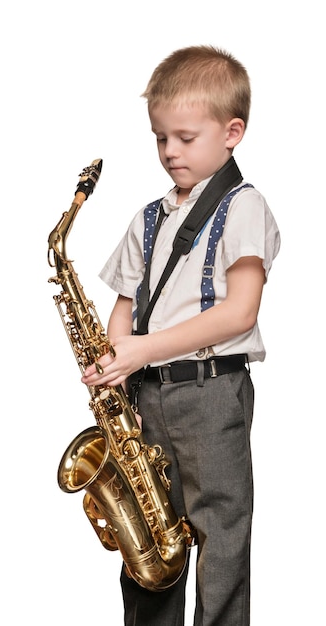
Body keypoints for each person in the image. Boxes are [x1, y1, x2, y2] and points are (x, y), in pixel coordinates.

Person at [81, 45, 280, 626]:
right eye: (160, 138)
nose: (170, 152)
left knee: (219, 537)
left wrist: (140, 350)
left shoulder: (245, 207)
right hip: (144, 400)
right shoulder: (148, 217)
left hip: (211, 395)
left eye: (185, 138)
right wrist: (114, 377)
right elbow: (124, 309)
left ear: (232, 132)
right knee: (149, 542)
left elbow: (239, 313)